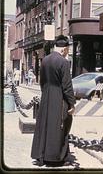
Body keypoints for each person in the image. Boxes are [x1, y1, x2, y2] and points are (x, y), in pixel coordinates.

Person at [31, 35, 76, 167]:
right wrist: (72, 103)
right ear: (64, 49)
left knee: (44, 125)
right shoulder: (64, 62)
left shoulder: (45, 60)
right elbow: (67, 86)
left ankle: (41, 154)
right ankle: (56, 157)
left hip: (46, 95)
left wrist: (45, 93)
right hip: (59, 98)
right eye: (68, 49)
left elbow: (42, 81)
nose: (67, 52)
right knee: (59, 126)